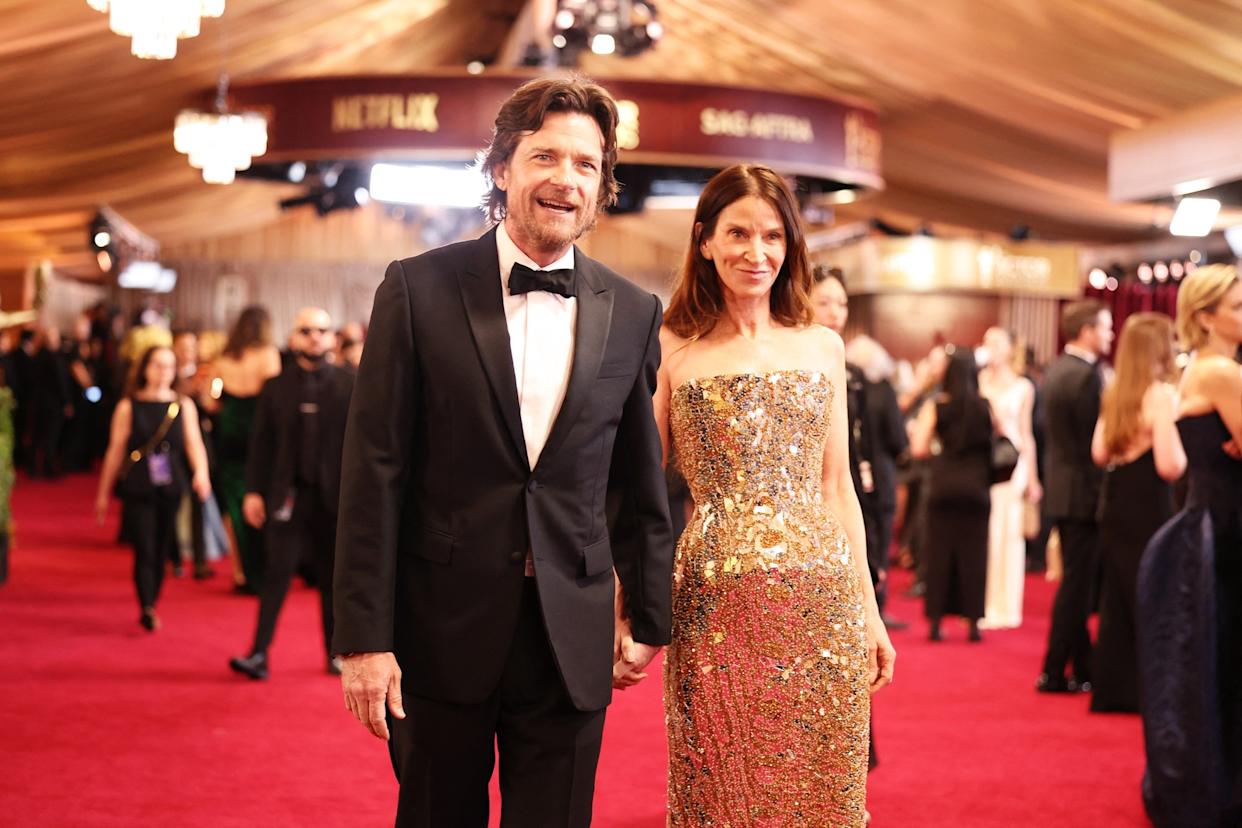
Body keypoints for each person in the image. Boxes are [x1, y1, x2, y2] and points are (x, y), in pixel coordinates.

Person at [331, 77, 674, 827]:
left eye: (586, 164)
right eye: (545, 156)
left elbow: (636, 480)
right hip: (439, 628)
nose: (566, 178)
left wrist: (650, 616)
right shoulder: (417, 289)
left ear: (602, 185)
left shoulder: (634, 311)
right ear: (500, 168)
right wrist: (362, 639)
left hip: (570, 635)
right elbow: (373, 473)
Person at [655, 163, 894, 825]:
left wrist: (869, 612)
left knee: (820, 795)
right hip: (713, 605)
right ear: (705, 240)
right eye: (738, 233)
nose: (755, 252)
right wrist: (631, 606)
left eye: (772, 236)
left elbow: (838, 487)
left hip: (823, 600)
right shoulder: (671, 346)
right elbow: (641, 489)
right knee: (717, 795)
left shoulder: (822, 347)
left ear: (790, 246)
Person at [1138, 265, 1242, 826]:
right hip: (1225, 532)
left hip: (1210, 527)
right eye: (1239, 307)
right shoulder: (1221, 371)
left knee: (1213, 664)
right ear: (1205, 318)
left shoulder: (1199, 369)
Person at [228, 308, 355, 680]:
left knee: (334, 580)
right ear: (293, 337)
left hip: (336, 499)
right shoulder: (275, 387)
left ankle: (335, 654)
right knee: (276, 575)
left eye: (322, 330)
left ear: (332, 338)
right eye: (306, 330)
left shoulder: (351, 384)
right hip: (288, 497)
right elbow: (261, 445)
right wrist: (254, 492)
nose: (314, 336)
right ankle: (259, 653)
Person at [1089, 313, 1184, 714]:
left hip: (1116, 500)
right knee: (1153, 594)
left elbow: (1099, 452)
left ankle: (1113, 690)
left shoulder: (1115, 392)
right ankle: (1151, 691)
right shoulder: (1160, 394)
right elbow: (1170, 465)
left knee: (1117, 596)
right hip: (1149, 501)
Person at [94, 346, 211, 631]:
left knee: (162, 545)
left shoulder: (183, 405)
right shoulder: (128, 406)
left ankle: (153, 598)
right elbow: (115, 450)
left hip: (172, 484)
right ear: (145, 368)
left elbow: (194, 444)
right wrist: (102, 493)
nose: (163, 372)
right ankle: (146, 604)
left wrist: (202, 473)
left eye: (169, 366)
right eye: (157, 365)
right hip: (139, 484)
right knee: (145, 546)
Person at [1036, 299, 1113, 693]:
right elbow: (1092, 445)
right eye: (1105, 327)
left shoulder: (1056, 369)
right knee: (1076, 588)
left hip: (1062, 488)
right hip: (1083, 493)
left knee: (1076, 583)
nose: (1110, 335)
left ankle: (1084, 667)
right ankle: (1053, 670)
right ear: (1087, 331)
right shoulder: (1086, 376)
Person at [911, 346, 993, 642]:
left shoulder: (936, 405)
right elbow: (1001, 437)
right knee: (975, 555)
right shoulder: (985, 405)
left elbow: (919, 448)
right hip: (977, 487)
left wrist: (940, 449)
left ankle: (935, 621)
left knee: (939, 553)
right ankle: (973, 623)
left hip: (943, 486)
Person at [206, 306, 281, 593]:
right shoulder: (268, 354)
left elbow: (210, 400)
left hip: (230, 426)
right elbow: (274, 396)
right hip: (259, 428)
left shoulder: (224, 358)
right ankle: (264, 569)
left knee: (233, 498)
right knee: (262, 491)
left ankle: (240, 571)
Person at [978, 327, 1042, 629]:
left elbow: (1027, 434)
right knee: (988, 532)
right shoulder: (978, 381)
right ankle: (984, 604)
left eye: (997, 342)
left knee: (1011, 534)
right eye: (987, 342)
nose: (990, 347)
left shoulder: (1023, 387)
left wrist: (1033, 478)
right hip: (986, 463)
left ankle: (1006, 607)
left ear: (1009, 348)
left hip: (1014, 463)